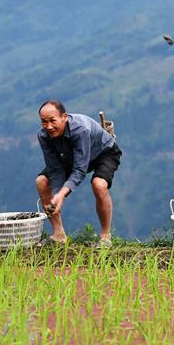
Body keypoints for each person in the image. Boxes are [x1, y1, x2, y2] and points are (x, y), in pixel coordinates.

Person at [36, 100, 122, 248]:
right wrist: (57, 195)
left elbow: (79, 170)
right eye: (44, 122)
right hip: (70, 156)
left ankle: (105, 237)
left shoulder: (80, 129)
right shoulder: (44, 136)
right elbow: (54, 168)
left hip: (104, 152)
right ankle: (59, 235)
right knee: (42, 182)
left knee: (99, 185)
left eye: (52, 121)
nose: (48, 126)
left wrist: (61, 195)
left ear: (64, 117)